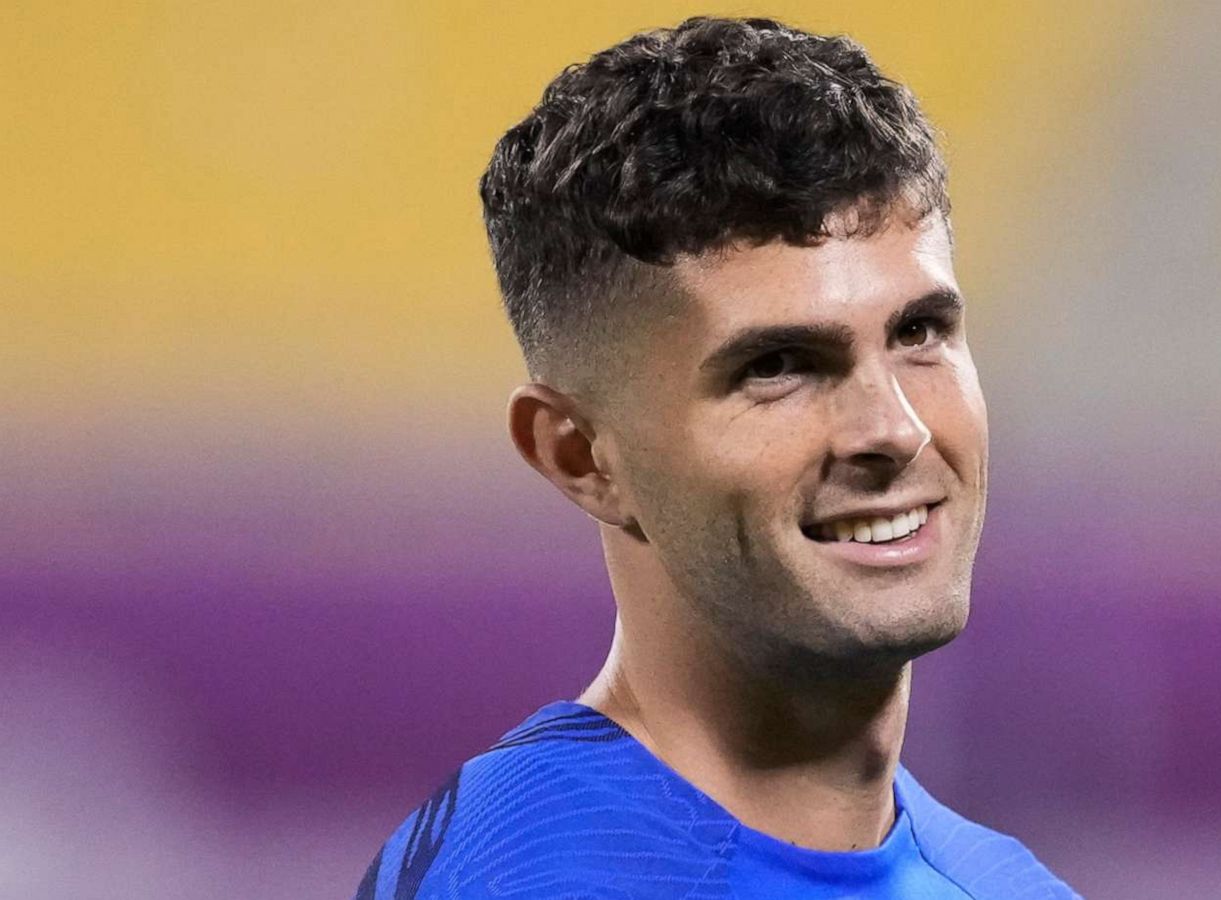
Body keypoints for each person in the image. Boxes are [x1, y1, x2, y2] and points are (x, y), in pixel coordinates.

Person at [354, 15, 1081, 899]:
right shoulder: (522, 874)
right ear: (582, 456)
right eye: (778, 366)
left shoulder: (1013, 888)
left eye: (919, 332)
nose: (893, 430)